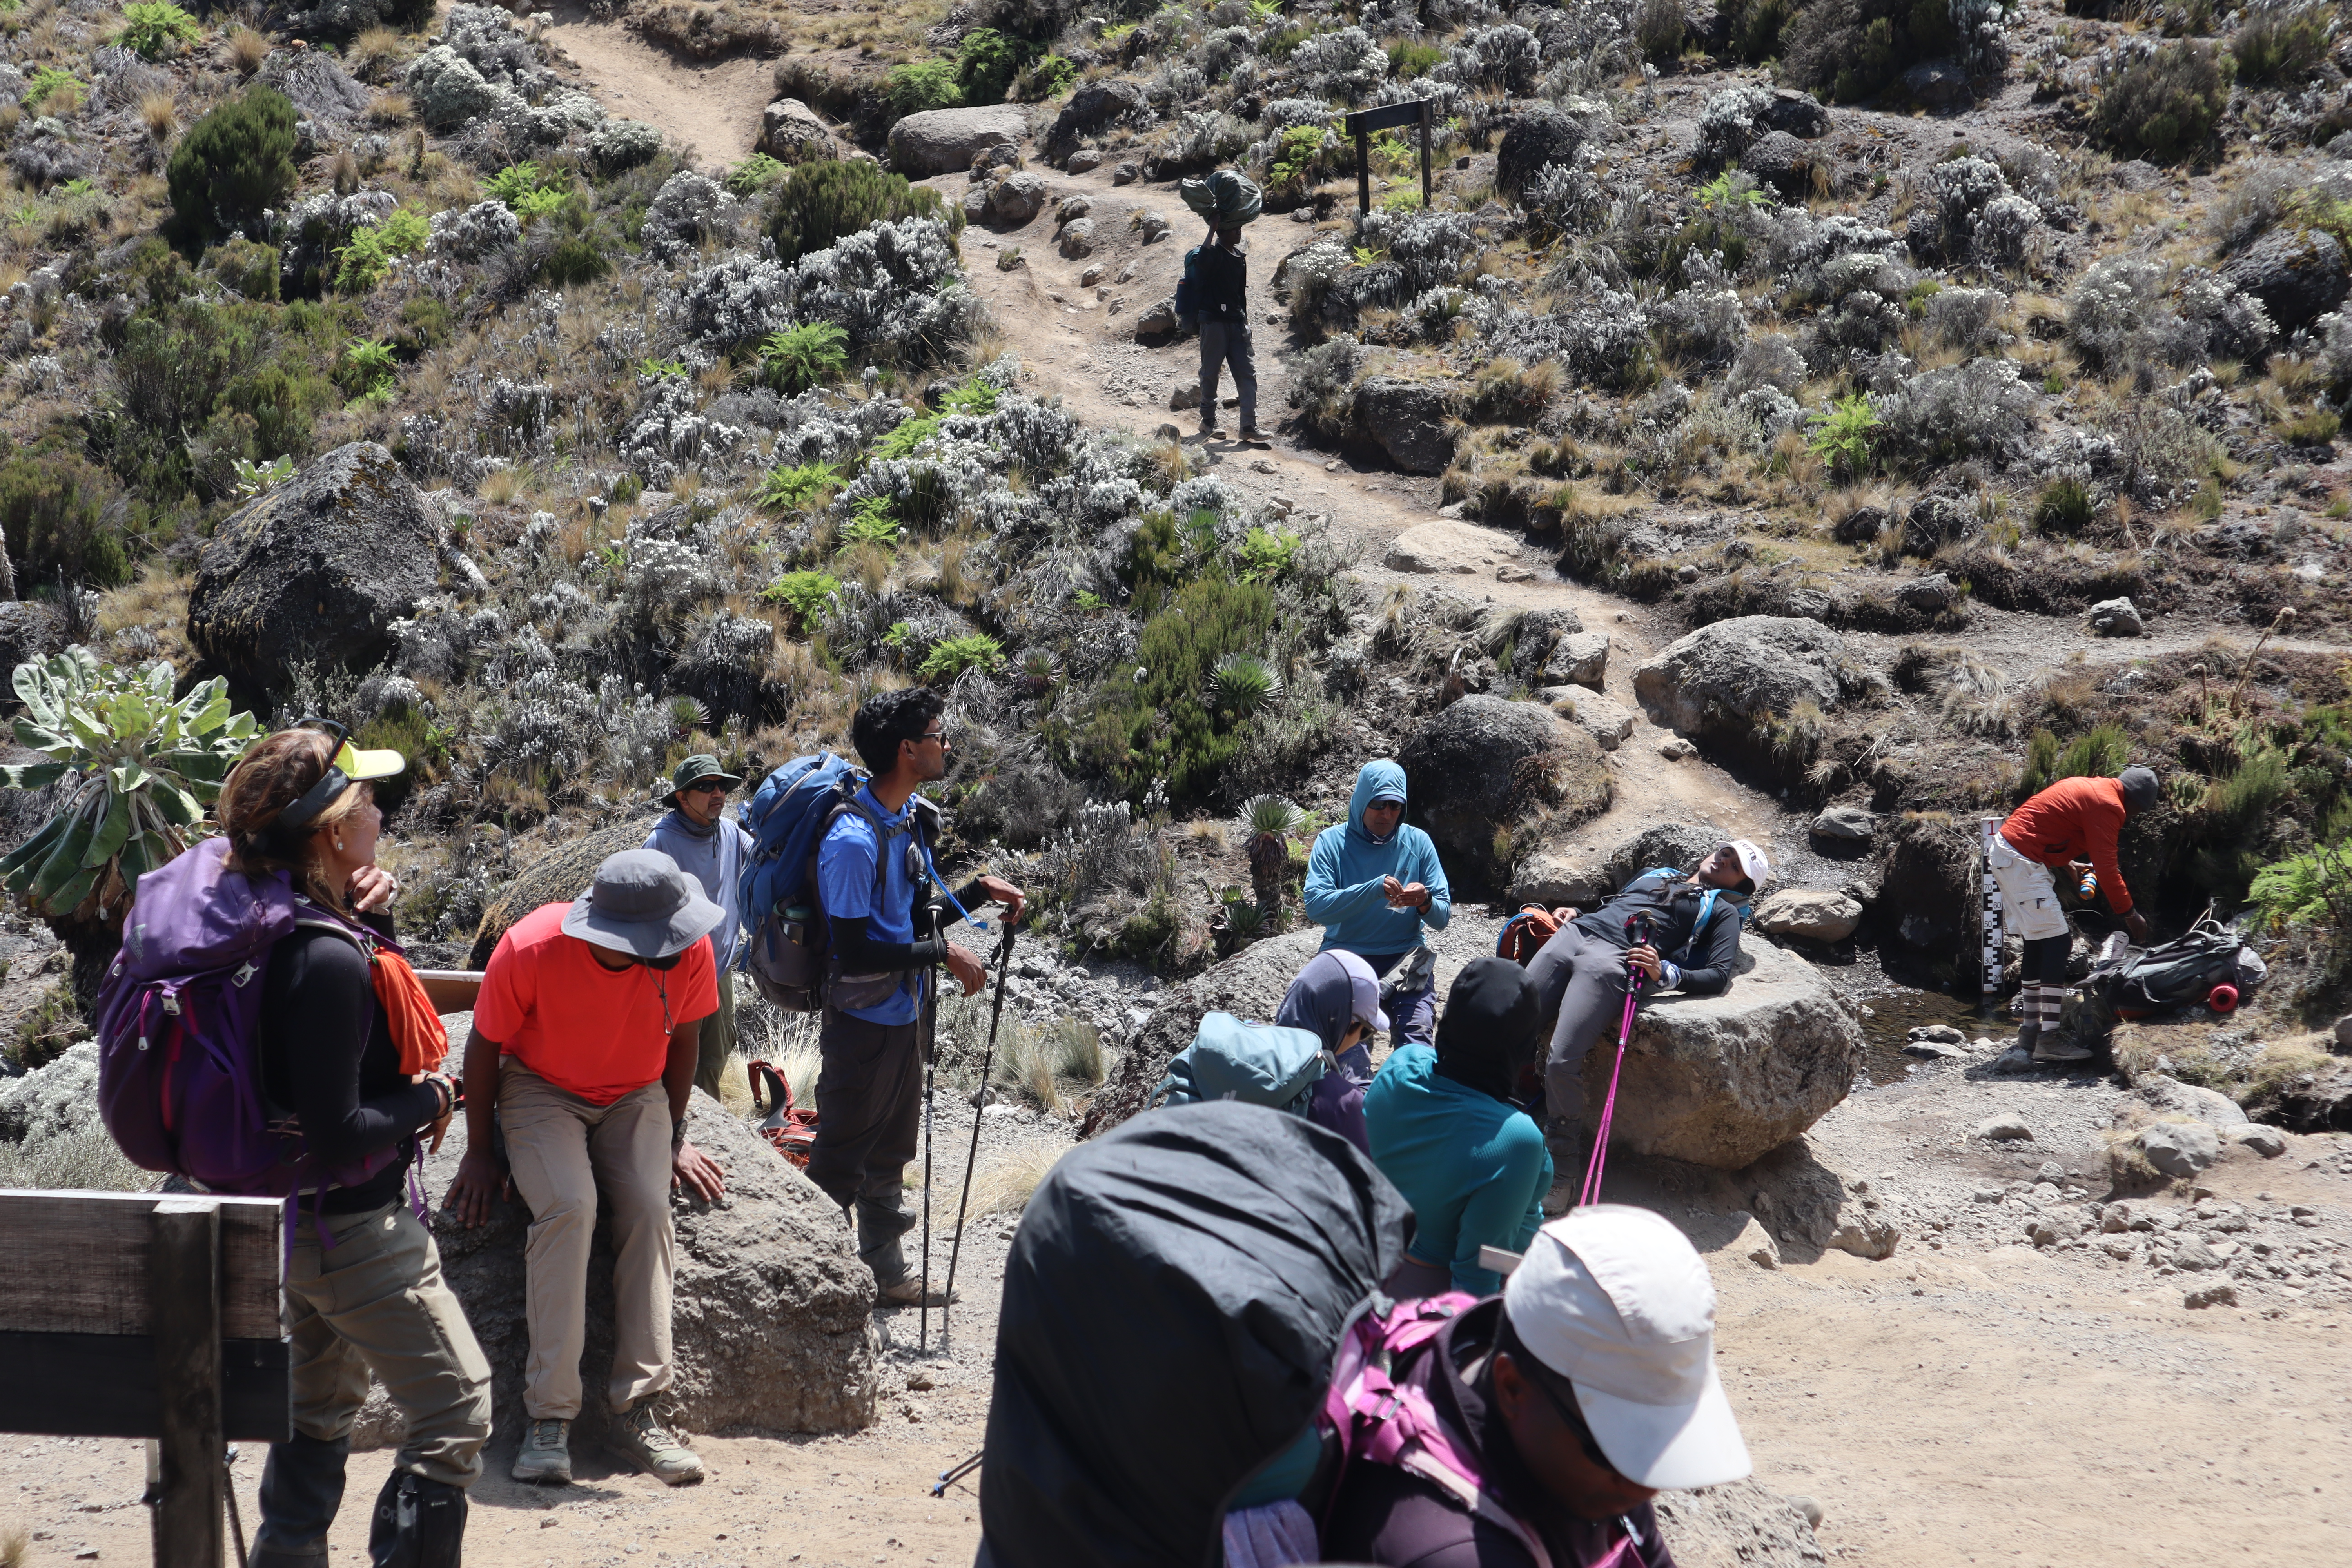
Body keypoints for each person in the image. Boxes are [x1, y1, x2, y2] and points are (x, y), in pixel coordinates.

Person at [223, 724, 490, 1568]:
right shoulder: (326, 957)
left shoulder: (283, 924)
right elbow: (342, 1132)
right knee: (457, 1410)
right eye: (366, 798)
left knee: (321, 1402)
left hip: (291, 1224)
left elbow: (355, 1044)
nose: (380, 808)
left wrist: (371, 918)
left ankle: (288, 1553)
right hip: (354, 1230)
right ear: (335, 830)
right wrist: (438, 1094)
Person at [443, 849, 730, 1489]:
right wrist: (480, 1151)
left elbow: (684, 1043)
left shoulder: (688, 949)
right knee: (571, 1208)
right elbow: (485, 1045)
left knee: (650, 1207)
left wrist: (674, 1137)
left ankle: (639, 1412)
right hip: (542, 1088)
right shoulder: (532, 947)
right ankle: (550, 1419)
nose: (675, 946)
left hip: (636, 1095)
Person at [1321, 1206, 1753, 1568]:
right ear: (1511, 1387)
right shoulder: (1454, 1551)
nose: (1646, 1486)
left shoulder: (1576, 1438)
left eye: (1656, 1439)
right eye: (1615, 1444)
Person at [813, 686, 1024, 1307]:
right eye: (937, 733)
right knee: (841, 1157)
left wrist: (980, 892)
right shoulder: (852, 840)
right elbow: (853, 950)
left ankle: (885, 1276)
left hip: (902, 1016)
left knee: (890, 1152)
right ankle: (812, 1285)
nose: (946, 743)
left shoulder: (902, 820)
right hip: (861, 1023)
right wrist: (943, 955)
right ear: (907, 750)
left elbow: (913, 914)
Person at [1524, 842, 1768, 1166]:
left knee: (1561, 1060)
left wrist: (1665, 972)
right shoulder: (1658, 874)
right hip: (1574, 933)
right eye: (1726, 852)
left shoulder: (1723, 911)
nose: (1724, 860)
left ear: (1741, 887)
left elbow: (1719, 974)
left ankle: (1561, 1165)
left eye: (1735, 867)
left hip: (1613, 962)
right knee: (1512, 1027)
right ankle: (1484, 1115)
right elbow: (1619, 909)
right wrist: (1578, 915)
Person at [1364, 956, 1552, 1301]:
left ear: (1449, 1021)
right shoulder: (1516, 1140)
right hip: (1429, 1289)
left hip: (1365, 1256)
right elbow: (1478, 1272)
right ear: (1525, 1044)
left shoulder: (1401, 1065)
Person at [1993, 765, 2158, 1063]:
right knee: (2059, 944)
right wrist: (2130, 914)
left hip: (2010, 853)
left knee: (2038, 943)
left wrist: (2069, 865)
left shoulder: (2091, 786)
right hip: (2022, 862)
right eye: (2137, 812)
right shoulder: (2109, 806)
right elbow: (2107, 870)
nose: (2132, 817)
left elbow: (2048, 826)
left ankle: (2030, 1035)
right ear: (2134, 801)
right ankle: (2049, 1040)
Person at [1304, 760, 1452, 1047]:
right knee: (1349, 1051)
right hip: (1346, 956)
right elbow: (1316, 906)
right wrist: (1372, 890)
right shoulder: (1332, 843)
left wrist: (1425, 902)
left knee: (1417, 1038)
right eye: (1378, 804)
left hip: (1404, 959)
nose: (1387, 814)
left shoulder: (1418, 843)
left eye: (1395, 806)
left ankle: (1408, 1088)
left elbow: (1442, 918)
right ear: (1361, 802)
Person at [643, 754, 752, 1099]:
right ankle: (680, 1135)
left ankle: (708, 1133)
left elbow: (765, 859)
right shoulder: (661, 843)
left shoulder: (732, 833)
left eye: (722, 786)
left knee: (715, 1058)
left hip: (718, 969)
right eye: (705, 787)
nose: (718, 793)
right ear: (682, 797)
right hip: (677, 973)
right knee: (679, 1063)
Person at [1274, 948, 1389, 1152]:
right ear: (1348, 1023)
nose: (1358, 1042)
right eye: (1366, 1032)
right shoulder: (1344, 1103)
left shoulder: (1240, 1050)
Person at [1195, 219, 1265, 443]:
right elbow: (1201, 262)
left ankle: (1248, 426)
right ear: (1222, 233)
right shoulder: (1213, 254)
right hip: (1214, 323)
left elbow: (1239, 294)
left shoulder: (1240, 258)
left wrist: (1245, 320)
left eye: (1240, 229)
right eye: (1234, 229)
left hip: (1236, 323)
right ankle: (1208, 421)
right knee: (1211, 373)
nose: (1239, 232)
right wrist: (1212, 230)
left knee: (1247, 373)